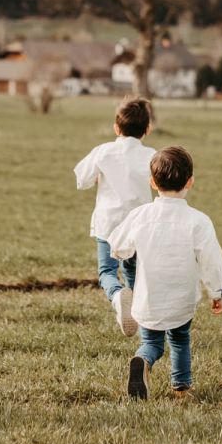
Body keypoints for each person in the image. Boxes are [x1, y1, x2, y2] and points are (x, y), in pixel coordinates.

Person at [107, 146, 222, 400]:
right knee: (180, 339)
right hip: (181, 299)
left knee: (152, 343)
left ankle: (143, 360)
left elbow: (117, 245)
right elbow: (211, 261)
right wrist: (217, 292)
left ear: (152, 182)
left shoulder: (140, 215)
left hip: (148, 299)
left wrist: (122, 254)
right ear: (190, 182)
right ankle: (181, 388)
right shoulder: (198, 220)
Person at [74, 97, 155, 336]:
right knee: (133, 274)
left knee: (107, 272)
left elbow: (82, 180)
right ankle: (144, 332)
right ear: (147, 130)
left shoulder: (103, 151)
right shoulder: (152, 155)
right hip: (139, 225)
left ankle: (117, 296)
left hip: (108, 224)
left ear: (116, 128)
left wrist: (99, 177)